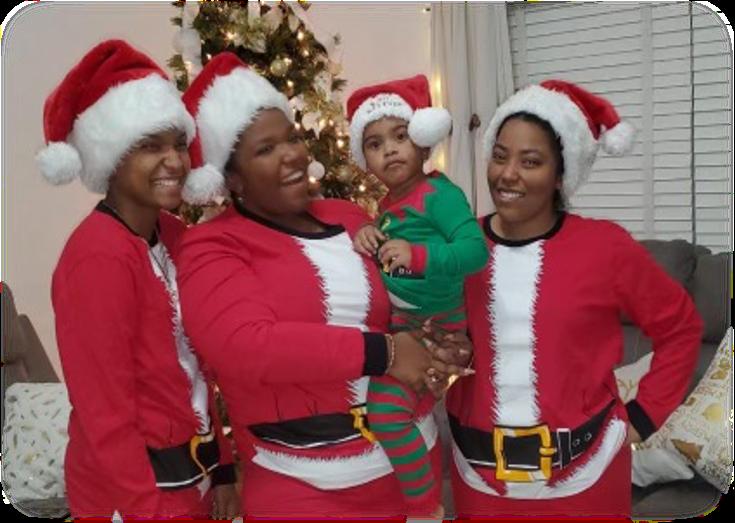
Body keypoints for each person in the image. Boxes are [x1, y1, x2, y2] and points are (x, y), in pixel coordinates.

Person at [175, 53, 470, 517]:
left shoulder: (350, 216)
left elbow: (413, 295)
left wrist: (448, 347)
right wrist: (387, 352)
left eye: (292, 138)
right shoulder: (210, 245)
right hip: (301, 488)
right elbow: (246, 347)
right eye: (266, 149)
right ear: (231, 177)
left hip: (410, 471)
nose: (292, 154)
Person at [445, 79, 703, 517]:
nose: (507, 174)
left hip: (587, 477)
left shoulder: (605, 247)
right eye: (500, 155)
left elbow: (681, 327)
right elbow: (444, 336)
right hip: (479, 476)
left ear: (561, 175)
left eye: (531, 161)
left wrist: (643, 417)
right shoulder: (459, 247)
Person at [38, 39, 238, 519]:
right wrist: (143, 508)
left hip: (193, 480)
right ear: (110, 157)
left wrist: (223, 469)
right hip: (133, 496)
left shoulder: (173, 233)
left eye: (178, 143)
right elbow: (103, 411)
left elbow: (196, 368)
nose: (175, 161)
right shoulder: (96, 258)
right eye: (150, 146)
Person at [347, 74, 488, 515]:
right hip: (402, 327)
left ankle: (426, 508)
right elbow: (391, 263)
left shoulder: (439, 194)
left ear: (424, 144)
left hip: (437, 329)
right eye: (375, 144)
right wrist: (368, 233)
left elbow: (475, 251)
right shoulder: (386, 208)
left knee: (387, 415)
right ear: (365, 161)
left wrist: (418, 255)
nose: (389, 149)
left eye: (400, 136)